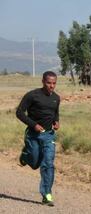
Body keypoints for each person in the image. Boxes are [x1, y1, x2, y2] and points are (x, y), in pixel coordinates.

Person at [16, 71, 60, 207]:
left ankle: (47, 193)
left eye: (54, 83)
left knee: (48, 163)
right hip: (33, 135)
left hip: (48, 135)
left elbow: (55, 112)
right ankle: (26, 155)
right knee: (35, 164)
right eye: (49, 83)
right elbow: (19, 112)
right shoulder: (32, 95)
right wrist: (33, 125)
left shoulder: (56, 98)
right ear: (43, 81)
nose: (51, 86)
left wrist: (56, 121)